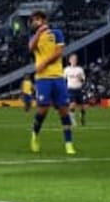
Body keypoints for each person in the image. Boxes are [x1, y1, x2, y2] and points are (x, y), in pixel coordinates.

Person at [28, 9, 75, 155]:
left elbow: (58, 52)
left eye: (37, 19)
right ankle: (35, 134)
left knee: (63, 110)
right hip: (43, 79)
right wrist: (38, 32)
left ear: (44, 20)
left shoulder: (56, 33)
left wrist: (44, 63)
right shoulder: (34, 36)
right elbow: (31, 47)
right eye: (33, 20)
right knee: (43, 109)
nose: (34, 22)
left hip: (57, 76)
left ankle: (69, 144)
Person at [64, 53, 87, 126]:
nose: (74, 60)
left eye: (75, 59)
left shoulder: (80, 69)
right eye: (73, 59)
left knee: (83, 107)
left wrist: (81, 78)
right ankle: (72, 119)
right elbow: (63, 79)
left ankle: (82, 117)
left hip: (79, 89)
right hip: (71, 89)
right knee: (72, 104)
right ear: (69, 60)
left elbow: (83, 79)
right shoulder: (66, 70)